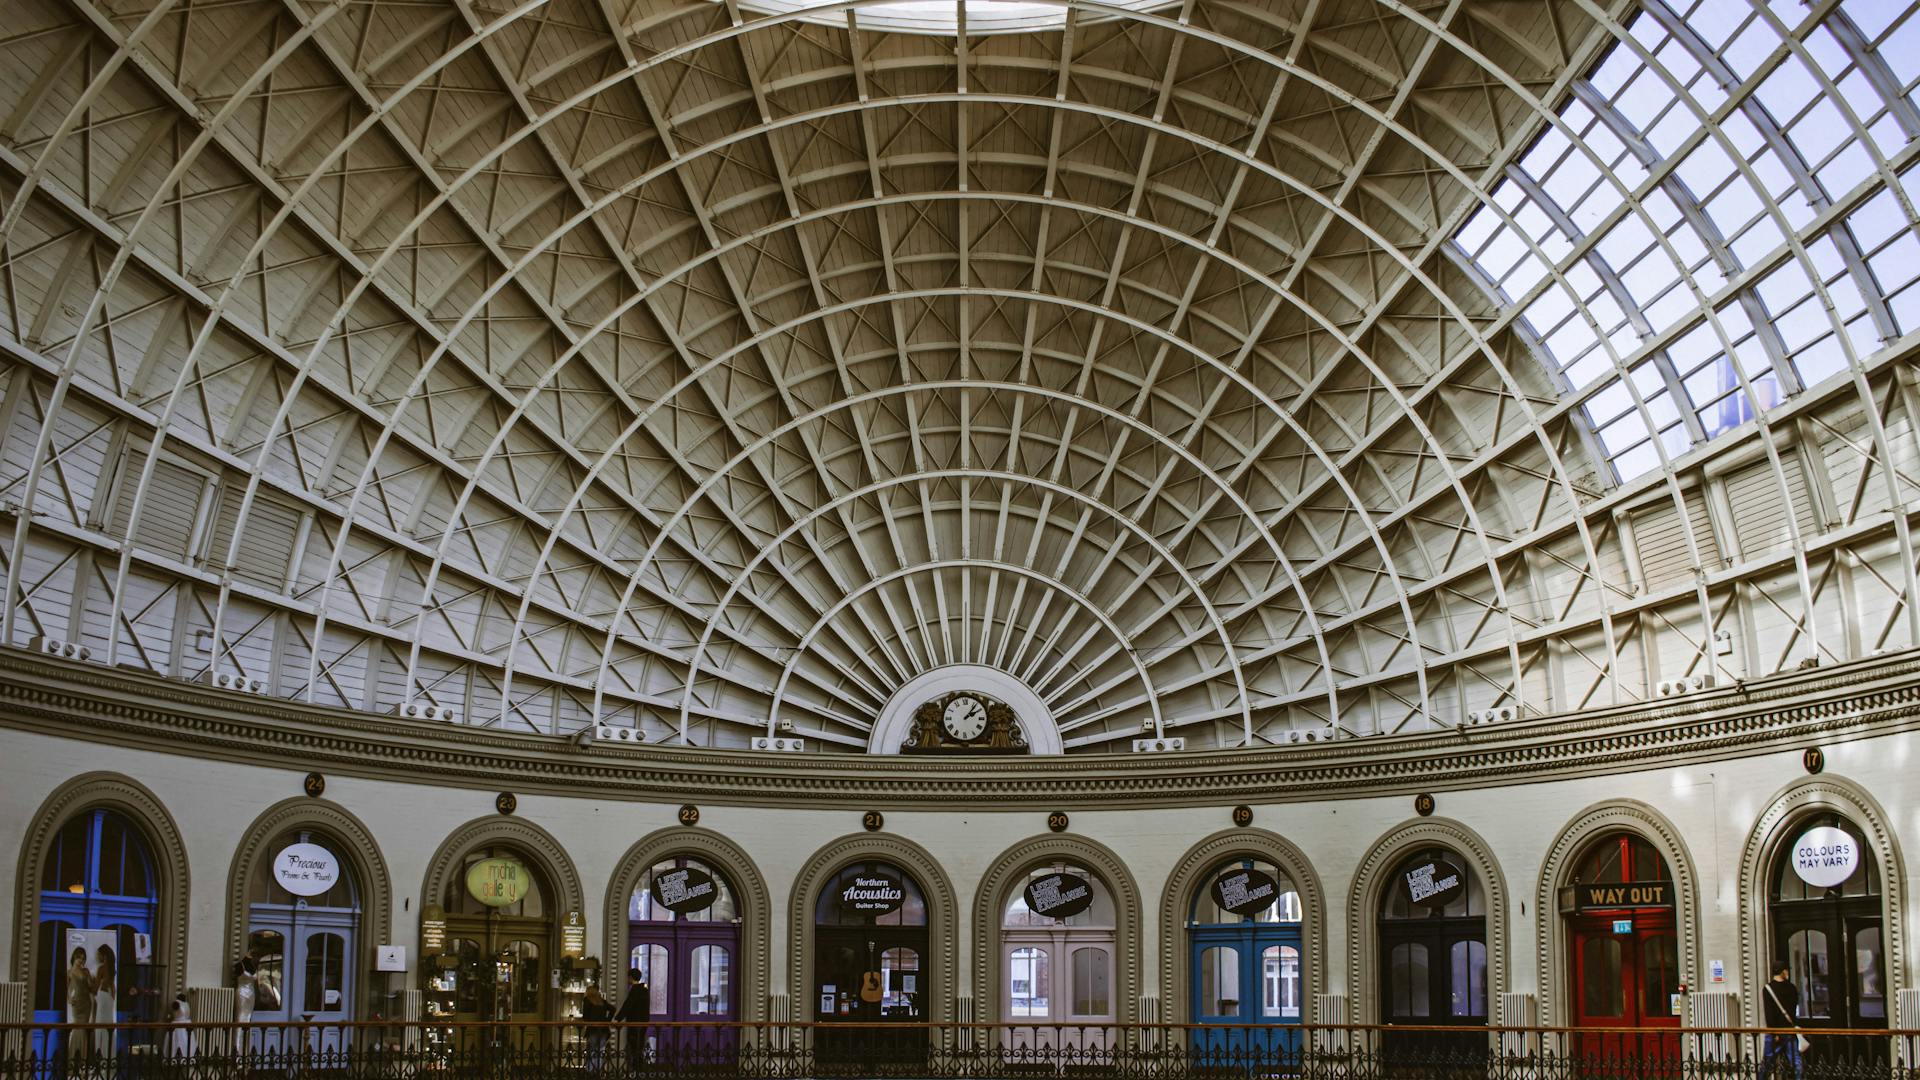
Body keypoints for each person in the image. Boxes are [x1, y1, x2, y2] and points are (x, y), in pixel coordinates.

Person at [1758, 960, 1805, 1080]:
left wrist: (1774, 1032)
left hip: (1775, 1031)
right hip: (1789, 1030)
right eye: (1786, 970)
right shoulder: (1792, 988)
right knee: (1796, 1062)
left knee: (1767, 1063)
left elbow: (1769, 1013)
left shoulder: (1767, 989)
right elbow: (1794, 1010)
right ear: (1783, 971)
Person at [614, 968, 649, 1070]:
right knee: (639, 1047)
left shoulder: (635, 990)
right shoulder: (644, 989)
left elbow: (628, 1005)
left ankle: (636, 1068)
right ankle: (639, 1068)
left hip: (635, 1023)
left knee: (634, 1047)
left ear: (630, 977)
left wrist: (618, 1019)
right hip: (643, 1023)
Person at [65, 947, 95, 1065]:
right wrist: (69, 999)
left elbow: (91, 988)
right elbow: (65, 989)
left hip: (86, 1003)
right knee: (78, 1030)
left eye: (83, 958)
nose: (81, 960)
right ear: (74, 957)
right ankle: (73, 1062)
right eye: (78, 957)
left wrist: (88, 977)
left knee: (83, 1030)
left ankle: (83, 1061)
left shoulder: (86, 971)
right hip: (77, 1004)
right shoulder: (69, 972)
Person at [580, 984, 613, 1075]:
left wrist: (587, 1021)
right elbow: (612, 1009)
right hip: (603, 1030)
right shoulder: (601, 1001)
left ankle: (590, 1072)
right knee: (599, 1051)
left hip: (593, 1029)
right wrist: (607, 1020)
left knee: (591, 1051)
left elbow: (586, 1016)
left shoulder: (587, 1000)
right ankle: (598, 1071)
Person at [92, 944, 116, 1060]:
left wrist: (89, 983)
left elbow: (96, 986)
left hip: (102, 997)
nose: (98, 957)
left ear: (104, 955)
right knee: (107, 1026)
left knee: (100, 1026)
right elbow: (113, 987)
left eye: (99, 954)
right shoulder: (112, 968)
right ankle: (107, 1056)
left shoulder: (101, 968)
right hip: (110, 998)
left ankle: (99, 1054)